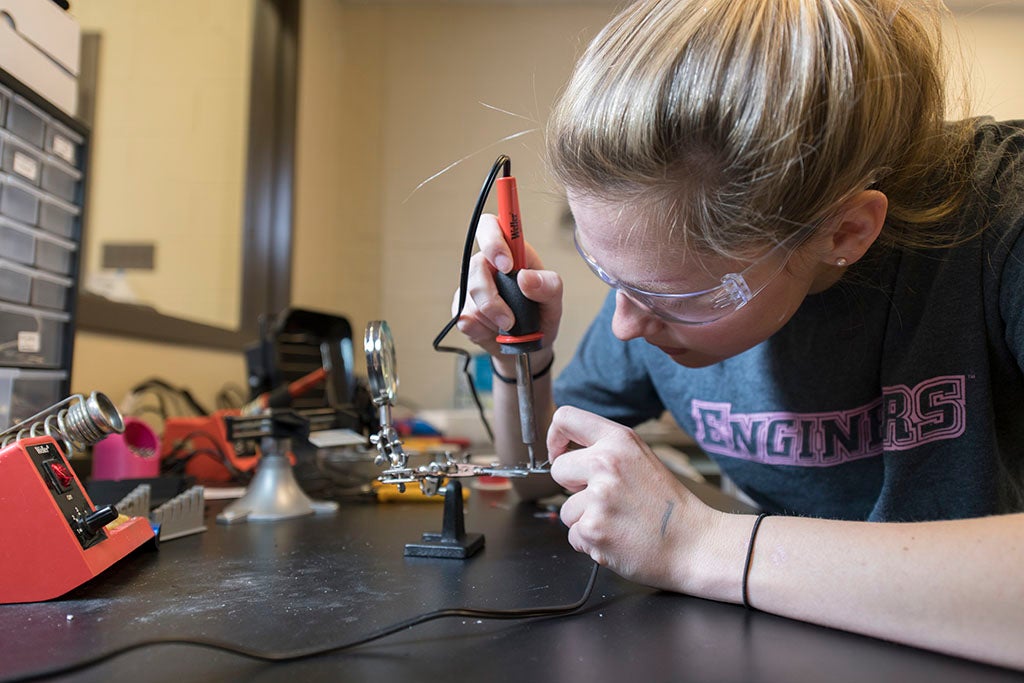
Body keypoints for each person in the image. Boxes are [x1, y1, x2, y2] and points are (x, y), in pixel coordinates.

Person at [455, 0, 1024, 671]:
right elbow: (538, 479)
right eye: (607, 274)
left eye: (673, 294)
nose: (625, 323)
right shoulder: (650, 307)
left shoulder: (1001, 221)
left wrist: (698, 544)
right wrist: (524, 354)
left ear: (844, 233)